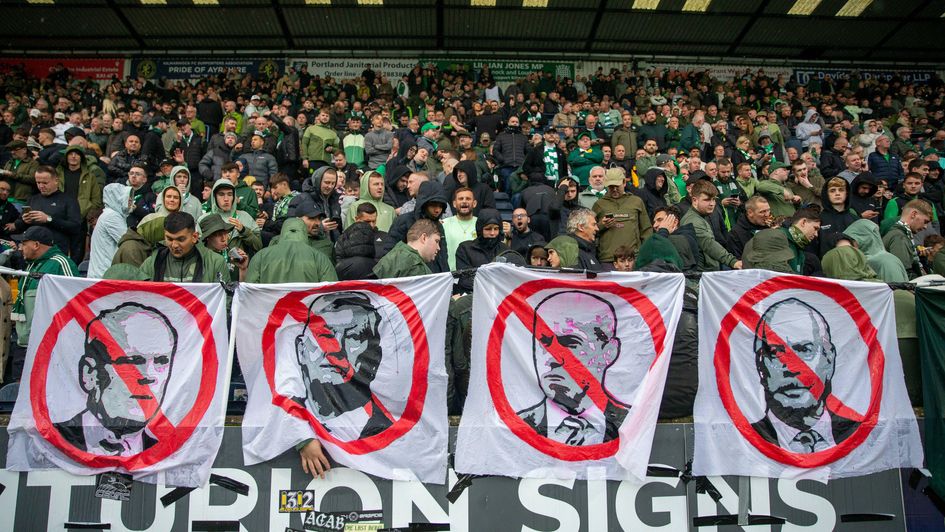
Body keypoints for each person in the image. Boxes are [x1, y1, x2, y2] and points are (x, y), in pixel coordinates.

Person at [54, 303, 177, 455]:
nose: (150, 376)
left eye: (161, 361)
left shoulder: (174, 451)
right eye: (134, 361)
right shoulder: (51, 439)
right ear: (89, 373)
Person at [516, 291, 629, 445]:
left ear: (608, 352)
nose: (551, 360)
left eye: (569, 345)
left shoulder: (631, 425)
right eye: (545, 344)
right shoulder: (518, 426)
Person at [751, 298, 857, 452]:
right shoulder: (739, 441)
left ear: (829, 359)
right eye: (776, 352)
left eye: (805, 350)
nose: (792, 368)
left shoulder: (862, 434)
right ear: (760, 364)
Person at [12, 165, 81, 261]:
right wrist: (24, 221)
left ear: (56, 181)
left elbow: (75, 227)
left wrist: (49, 219)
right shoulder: (33, 199)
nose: (41, 186)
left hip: (56, 253)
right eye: (38, 182)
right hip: (31, 253)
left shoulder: (68, 200)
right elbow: (18, 226)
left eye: (45, 183)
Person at [139, 212, 229, 283]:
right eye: (169, 239)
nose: (174, 245)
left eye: (180, 239)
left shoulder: (215, 263)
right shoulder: (151, 263)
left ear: (194, 237)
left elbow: (225, 300)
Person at [246, 217, 337, 284]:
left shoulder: (260, 256)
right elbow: (330, 292)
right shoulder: (319, 257)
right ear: (304, 232)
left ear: (283, 232)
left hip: (271, 309)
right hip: (307, 308)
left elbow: (250, 290)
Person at [385, 180, 450, 273]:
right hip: (410, 278)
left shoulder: (438, 226)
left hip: (435, 279)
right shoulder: (403, 221)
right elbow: (390, 253)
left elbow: (443, 256)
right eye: (434, 205)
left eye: (441, 206)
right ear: (424, 203)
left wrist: (445, 277)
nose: (437, 210)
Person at [592, 168, 652, 265]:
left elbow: (646, 230)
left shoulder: (636, 201)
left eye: (617, 186)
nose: (615, 189)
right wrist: (602, 225)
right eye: (611, 187)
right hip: (608, 259)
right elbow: (590, 232)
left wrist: (644, 254)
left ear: (624, 182)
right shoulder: (599, 204)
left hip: (633, 258)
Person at [680, 180, 742, 271]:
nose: (712, 204)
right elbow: (709, 244)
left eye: (713, 199)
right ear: (694, 200)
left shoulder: (700, 216)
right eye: (707, 200)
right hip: (703, 274)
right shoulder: (693, 221)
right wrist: (733, 261)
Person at [743, 208, 821, 275]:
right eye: (815, 228)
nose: (816, 234)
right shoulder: (774, 238)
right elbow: (771, 275)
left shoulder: (798, 247)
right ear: (803, 222)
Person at [199, 179, 262, 255]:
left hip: (238, 265)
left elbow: (259, 246)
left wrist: (244, 231)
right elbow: (198, 249)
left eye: (230, 194)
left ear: (234, 197)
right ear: (214, 197)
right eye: (221, 194)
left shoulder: (244, 216)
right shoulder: (204, 219)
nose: (226, 199)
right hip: (212, 265)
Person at [455, 209, 509, 291]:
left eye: (496, 229)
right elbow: (465, 280)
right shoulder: (465, 248)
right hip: (473, 296)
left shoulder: (505, 249)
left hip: (500, 297)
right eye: (488, 229)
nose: (492, 233)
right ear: (480, 230)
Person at [87, 183, 132, 279]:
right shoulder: (112, 216)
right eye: (127, 197)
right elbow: (128, 242)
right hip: (104, 275)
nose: (130, 200)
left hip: (102, 274)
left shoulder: (110, 215)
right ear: (117, 197)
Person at [843, 219, 909, 282]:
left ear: (866, 238)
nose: (850, 246)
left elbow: (897, 291)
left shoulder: (887, 262)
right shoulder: (861, 261)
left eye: (852, 241)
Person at [373, 218, 440, 279]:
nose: (438, 248)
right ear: (424, 238)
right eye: (436, 241)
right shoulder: (416, 267)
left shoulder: (391, 257)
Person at [883, 199, 932, 279]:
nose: (925, 227)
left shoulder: (900, 234)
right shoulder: (899, 237)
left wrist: (921, 257)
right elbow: (905, 274)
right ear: (914, 214)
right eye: (925, 221)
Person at [199, 215, 248, 282]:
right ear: (208, 237)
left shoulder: (234, 254)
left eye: (225, 233)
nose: (223, 239)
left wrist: (243, 269)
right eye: (218, 235)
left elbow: (242, 289)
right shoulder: (200, 257)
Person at [441, 187, 477, 271]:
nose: (464, 201)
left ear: (474, 203)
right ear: (454, 204)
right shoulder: (443, 224)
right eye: (461, 199)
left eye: (468, 199)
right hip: (449, 275)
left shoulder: (482, 224)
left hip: (475, 276)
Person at [301, 108, 339, 173]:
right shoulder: (310, 129)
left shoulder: (333, 133)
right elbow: (304, 144)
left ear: (329, 118)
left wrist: (332, 149)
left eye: (327, 116)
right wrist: (305, 159)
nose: (325, 117)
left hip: (326, 163)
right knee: (311, 180)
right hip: (312, 161)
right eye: (323, 115)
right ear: (318, 116)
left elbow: (337, 149)